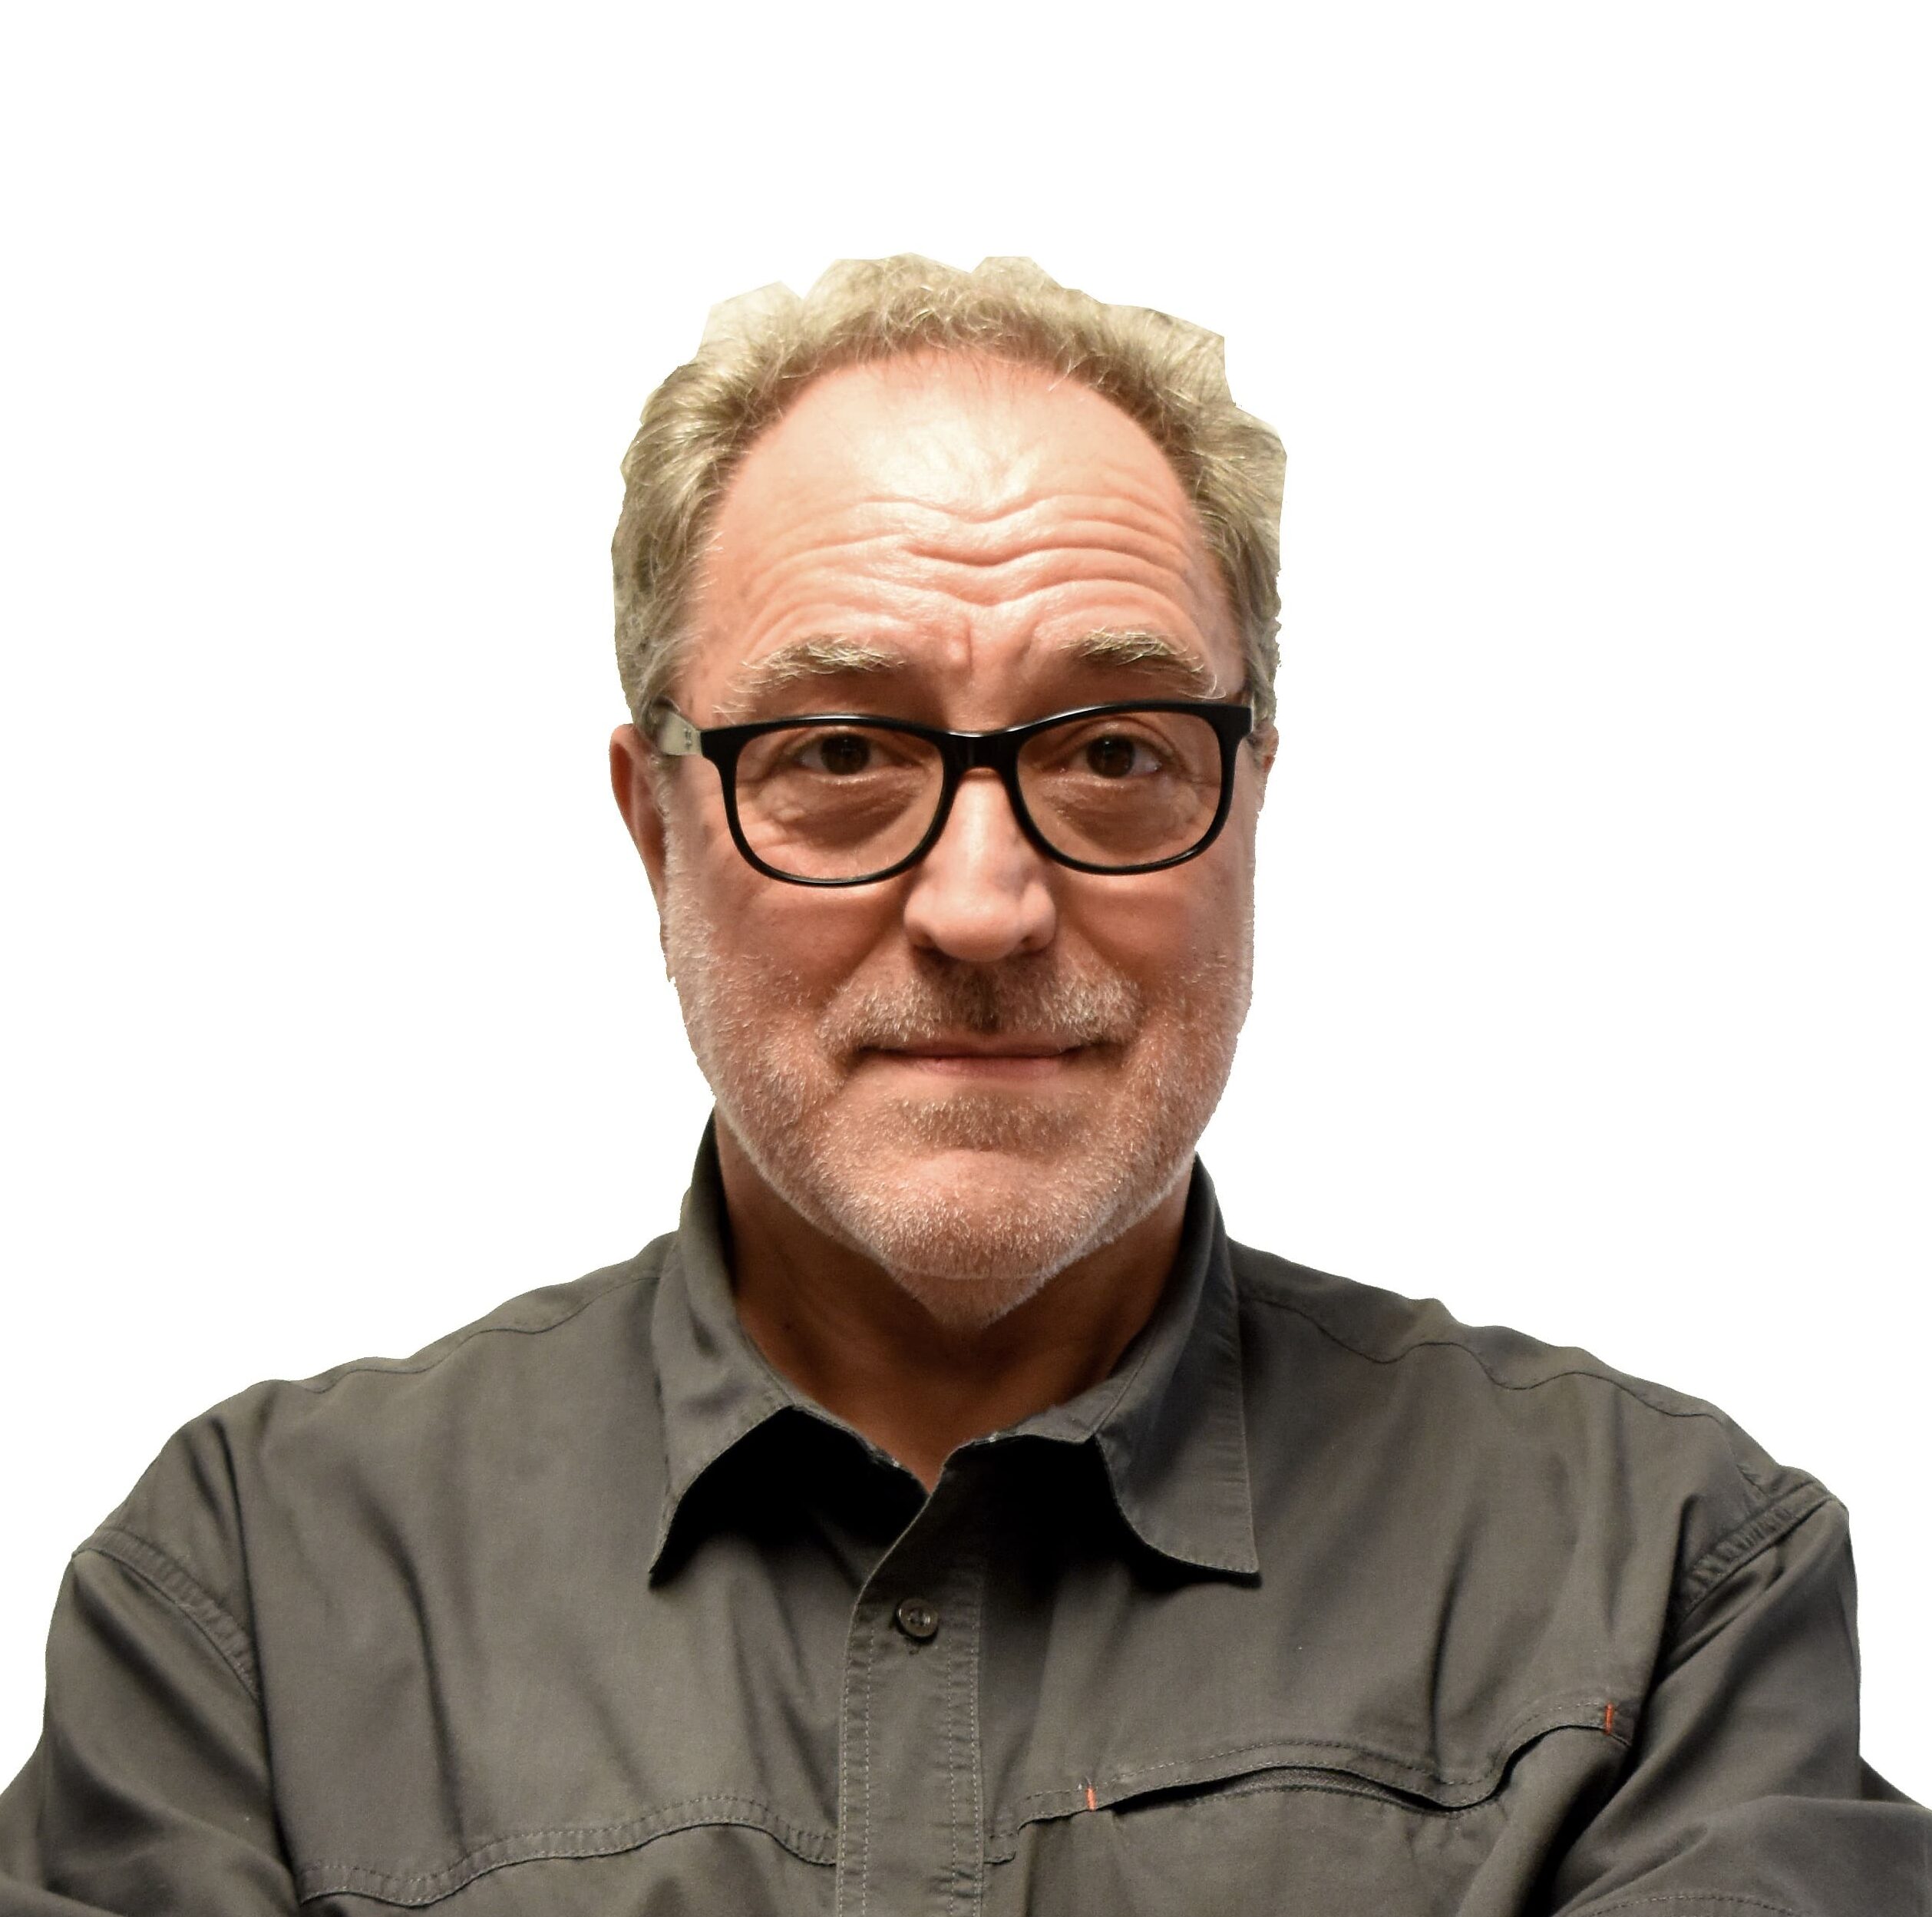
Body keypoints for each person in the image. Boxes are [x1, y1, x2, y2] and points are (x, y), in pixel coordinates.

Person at [1, 256, 1924, 1916]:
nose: (983, 904)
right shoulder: (252, 1609)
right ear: (655, 830)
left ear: (1247, 805)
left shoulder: (1661, 1589)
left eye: (1113, 753)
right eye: (840, 753)